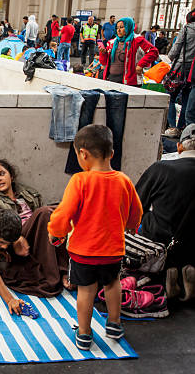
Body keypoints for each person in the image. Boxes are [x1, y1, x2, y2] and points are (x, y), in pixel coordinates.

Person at [48, 124, 143, 351]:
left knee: (86, 290)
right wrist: (131, 226)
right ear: (112, 153)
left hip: (84, 252)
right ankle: (114, 324)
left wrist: (56, 233)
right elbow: (136, 210)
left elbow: (64, 211)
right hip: (113, 250)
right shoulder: (123, 180)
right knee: (112, 283)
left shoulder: (80, 181)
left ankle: (84, 333)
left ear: (83, 153)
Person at [0, 159, 71, 295]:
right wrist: (18, 238)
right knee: (46, 212)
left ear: (11, 176)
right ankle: (61, 272)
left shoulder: (29, 193)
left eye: (1, 174)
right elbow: (0, 227)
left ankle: (64, 271)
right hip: (17, 236)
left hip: (37, 232)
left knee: (53, 222)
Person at [136, 124, 195, 300]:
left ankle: (166, 271)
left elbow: (136, 206)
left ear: (179, 147)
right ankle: (187, 267)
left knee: (144, 217)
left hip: (162, 240)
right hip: (191, 241)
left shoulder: (161, 168)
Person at [99, 17, 158, 86]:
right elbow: (104, 63)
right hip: (111, 79)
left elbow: (153, 51)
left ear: (128, 27)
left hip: (130, 82)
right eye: (117, 28)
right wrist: (103, 54)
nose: (119, 30)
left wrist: (141, 65)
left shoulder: (137, 40)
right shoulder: (112, 42)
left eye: (122, 27)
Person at [168, 9, 195, 127]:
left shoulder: (186, 29)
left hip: (180, 68)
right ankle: (181, 127)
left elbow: (175, 50)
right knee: (185, 101)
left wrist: (170, 57)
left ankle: (172, 126)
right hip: (192, 71)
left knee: (170, 98)